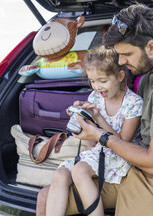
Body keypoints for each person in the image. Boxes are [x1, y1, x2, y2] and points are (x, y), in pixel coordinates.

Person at [36, 3, 153, 216]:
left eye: (127, 54)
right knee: (47, 199)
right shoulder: (152, 74)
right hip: (137, 170)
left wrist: (100, 136)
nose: (120, 62)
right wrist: (96, 117)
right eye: (118, 54)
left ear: (151, 47)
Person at [46, 46, 143, 216]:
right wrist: (82, 119)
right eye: (92, 81)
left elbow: (123, 143)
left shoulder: (134, 103)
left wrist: (98, 118)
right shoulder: (95, 97)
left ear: (120, 76)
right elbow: (91, 143)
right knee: (59, 175)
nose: (97, 86)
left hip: (120, 156)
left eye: (103, 81)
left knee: (80, 170)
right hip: (98, 152)